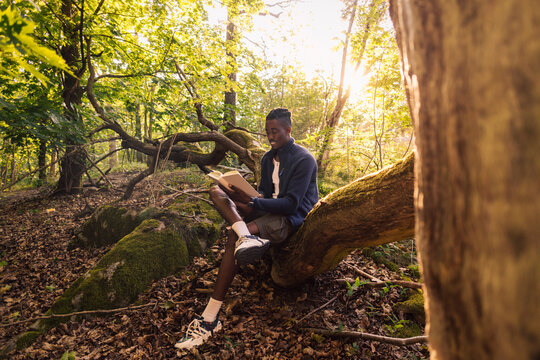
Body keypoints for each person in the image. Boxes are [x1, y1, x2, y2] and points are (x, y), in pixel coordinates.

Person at [175, 108, 319, 350]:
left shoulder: (304, 159)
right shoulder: (266, 158)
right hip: (267, 209)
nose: (270, 136)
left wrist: (253, 202)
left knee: (233, 234)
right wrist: (242, 194)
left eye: (275, 131)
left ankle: (210, 319)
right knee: (216, 191)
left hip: (289, 218)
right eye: (267, 132)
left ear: (288, 130)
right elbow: (263, 193)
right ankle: (246, 235)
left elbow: (291, 203)